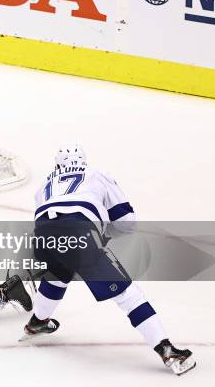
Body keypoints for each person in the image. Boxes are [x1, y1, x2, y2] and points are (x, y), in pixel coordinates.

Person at [22, 144, 196, 376]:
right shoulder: (95, 175)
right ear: (83, 161)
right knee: (128, 295)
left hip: (43, 238)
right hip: (79, 233)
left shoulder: (44, 185)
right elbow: (126, 220)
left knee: (57, 274)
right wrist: (102, 235)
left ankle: (37, 323)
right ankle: (168, 350)